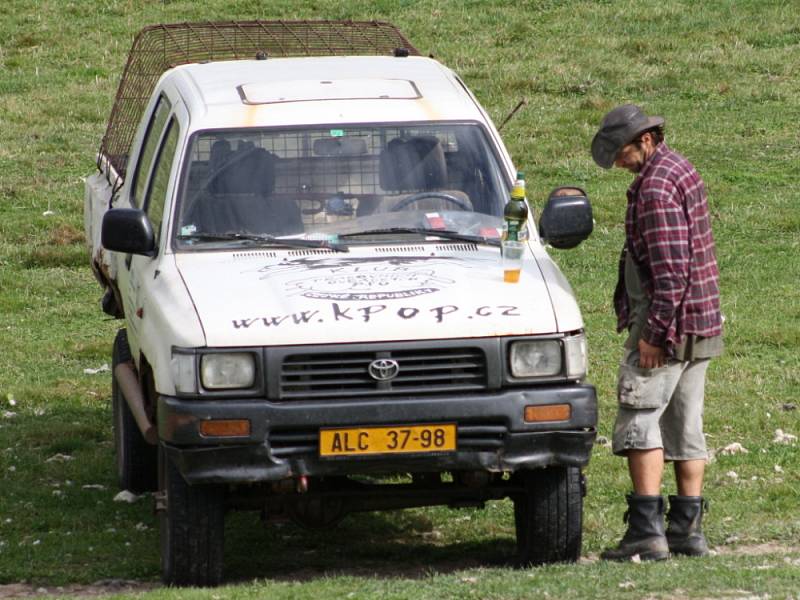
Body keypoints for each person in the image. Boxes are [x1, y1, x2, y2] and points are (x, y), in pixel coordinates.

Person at [591, 104, 723, 561]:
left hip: (667, 328)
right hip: (700, 323)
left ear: (645, 139)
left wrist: (653, 333)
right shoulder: (680, 167)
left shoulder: (656, 188)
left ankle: (646, 534)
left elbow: (670, 272)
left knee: (639, 417)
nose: (617, 162)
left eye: (621, 152)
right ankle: (688, 531)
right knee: (687, 425)